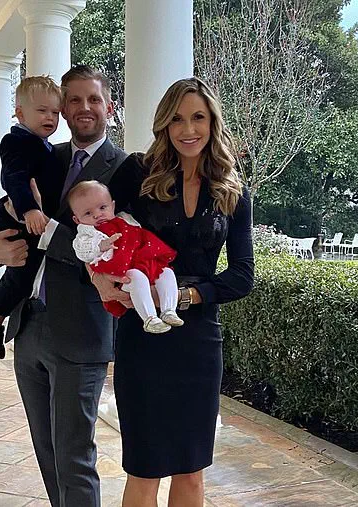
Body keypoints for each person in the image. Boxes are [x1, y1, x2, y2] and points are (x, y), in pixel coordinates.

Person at [98, 77, 255, 506]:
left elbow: (243, 275)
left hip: (199, 342)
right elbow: (96, 232)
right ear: (164, 125)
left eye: (198, 117)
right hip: (143, 337)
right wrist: (102, 280)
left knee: (191, 472)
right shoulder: (136, 173)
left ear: (212, 122)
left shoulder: (232, 192)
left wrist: (189, 296)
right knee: (144, 470)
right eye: (178, 119)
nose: (188, 129)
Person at [0, 65, 127, 507]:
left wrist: (47, 232)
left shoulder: (125, 169)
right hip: (29, 327)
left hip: (82, 334)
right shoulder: (46, 154)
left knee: (74, 457)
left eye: (94, 99)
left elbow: (109, 247)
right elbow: (5, 209)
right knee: (46, 452)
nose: (84, 108)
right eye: (75, 100)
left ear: (109, 107)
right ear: (64, 109)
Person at [0, 76, 62, 360]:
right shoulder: (16, 141)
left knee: (21, 277)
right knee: (21, 278)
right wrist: (29, 209)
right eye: (42, 111)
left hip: (30, 223)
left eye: (55, 112)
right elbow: (14, 179)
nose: (50, 117)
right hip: (18, 220)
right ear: (20, 113)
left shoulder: (48, 147)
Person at [68, 180, 183, 333]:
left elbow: (139, 233)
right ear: (77, 219)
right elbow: (81, 250)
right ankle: (149, 318)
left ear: (113, 206)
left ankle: (169, 310)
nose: (97, 215)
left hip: (144, 263)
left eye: (102, 207)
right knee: (136, 278)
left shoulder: (124, 219)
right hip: (120, 273)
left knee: (166, 273)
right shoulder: (87, 233)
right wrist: (100, 245)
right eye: (88, 213)